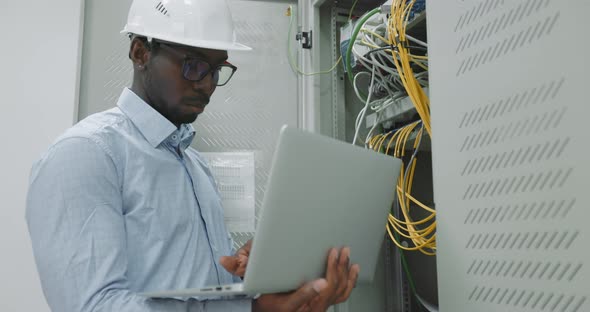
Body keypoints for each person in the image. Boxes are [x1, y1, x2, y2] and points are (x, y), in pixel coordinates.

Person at [25, 0, 360, 311]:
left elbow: (203, 288)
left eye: (216, 69)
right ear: (140, 53)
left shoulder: (195, 166)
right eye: (194, 65)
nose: (207, 85)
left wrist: (249, 278)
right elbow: (95, 305)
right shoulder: (86, 154)